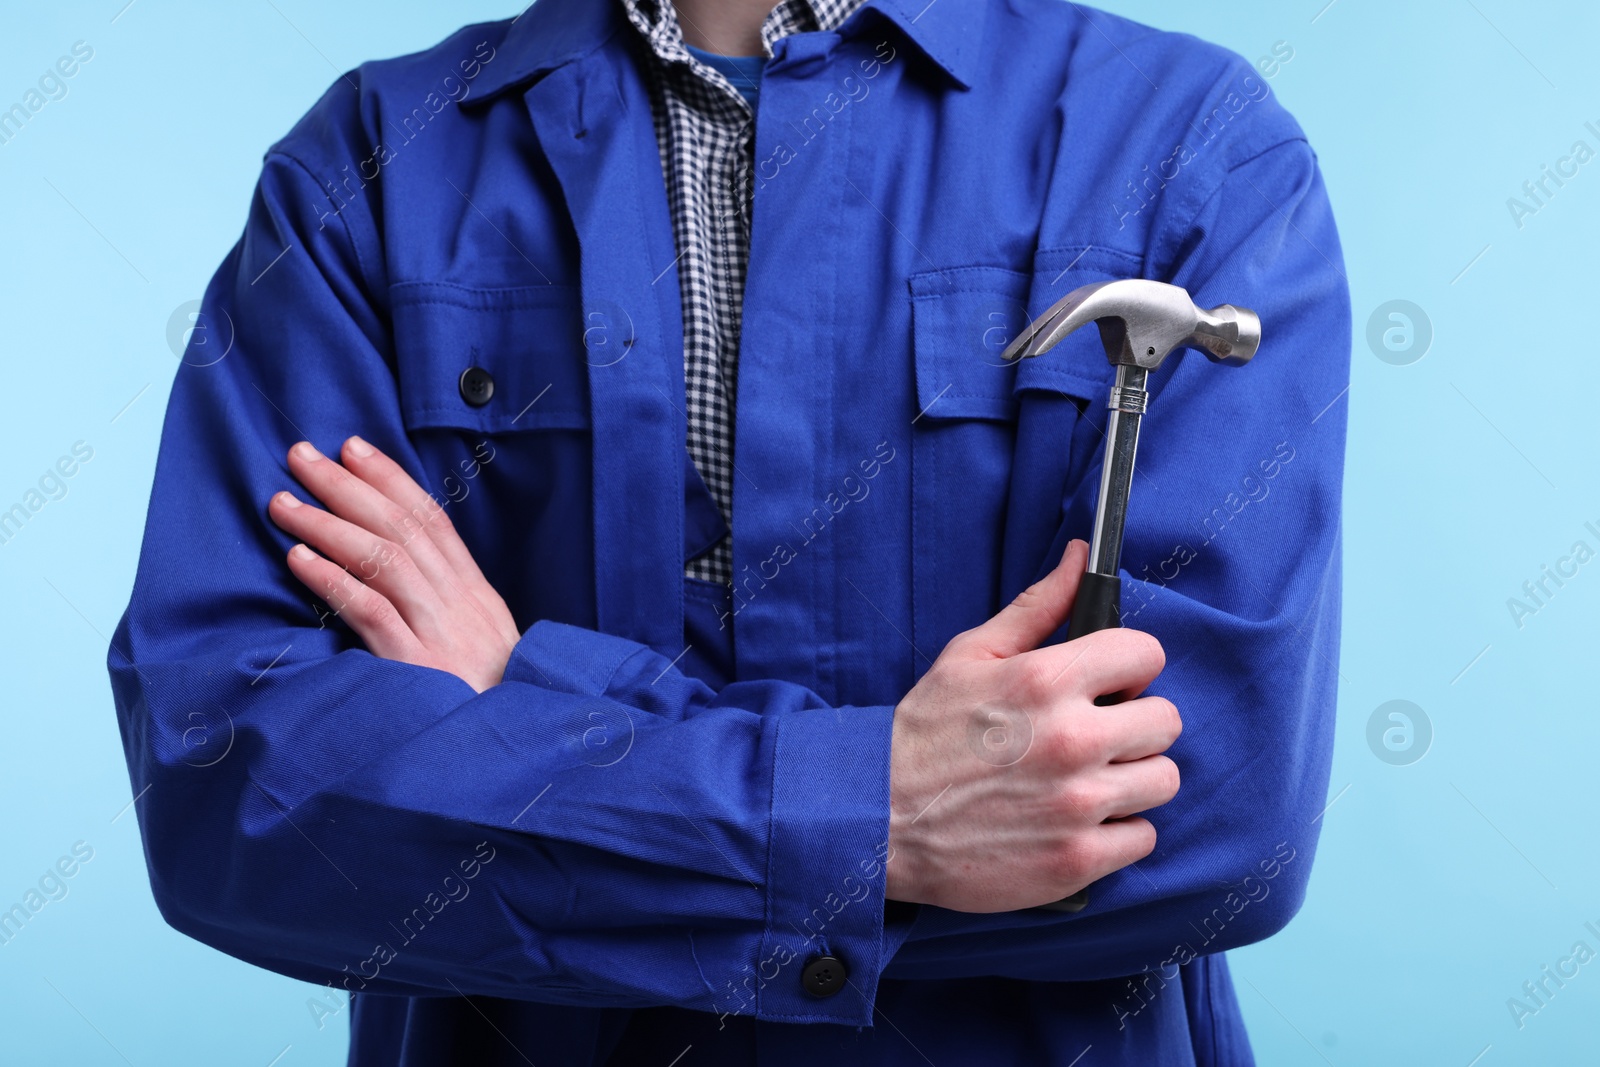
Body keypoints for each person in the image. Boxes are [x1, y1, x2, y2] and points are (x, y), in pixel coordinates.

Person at [108, 0, 1349, 1062]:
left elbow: (1216, 822)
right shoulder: (371, 176)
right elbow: (230, 781)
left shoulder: (1189, 152)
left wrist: (521, 690)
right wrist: (883, 811)